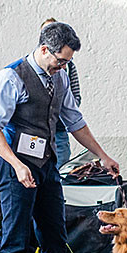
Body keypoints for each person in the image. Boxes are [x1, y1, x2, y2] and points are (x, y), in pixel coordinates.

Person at [0, 22, 118, 253]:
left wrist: (103, 155)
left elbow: (74, 120)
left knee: (55, 238)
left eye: (67, 62)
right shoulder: (11, 77)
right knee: (14, 241)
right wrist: (16, 164)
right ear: (44, 49)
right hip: (15, 166)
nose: (63, 66)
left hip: (46, 166)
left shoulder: (61, 77)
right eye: (60, 60)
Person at [41, 18, 81, 170]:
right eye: (60, 62)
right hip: (34, 137)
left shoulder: (66, 70)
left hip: (59, 131)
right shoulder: (19, 73)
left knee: (60, 173)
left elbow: (74, 114)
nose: (62, 66)